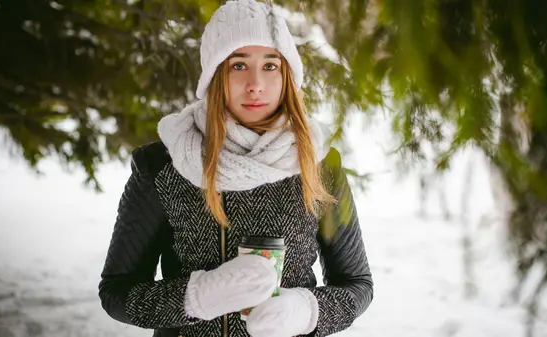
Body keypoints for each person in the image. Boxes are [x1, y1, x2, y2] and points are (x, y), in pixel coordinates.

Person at [98, 0, 373, 336]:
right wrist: (197, 298)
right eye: (238, 65)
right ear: (215, 75)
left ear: (287, 75)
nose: (255, 83)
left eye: (270, 66)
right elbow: (117, 292)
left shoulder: (319, 164)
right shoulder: (163, 166)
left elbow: (357, 285)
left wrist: (306, 310)